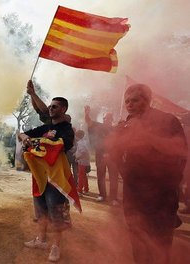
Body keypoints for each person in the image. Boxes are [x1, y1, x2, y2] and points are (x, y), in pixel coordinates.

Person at [110, 84, 187, 263]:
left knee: (160, 243)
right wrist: (124, 170)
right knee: (137, 240)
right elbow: (116, 156)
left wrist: (148, 137)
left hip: (162, 194)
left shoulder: (167, 120)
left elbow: (181, 153)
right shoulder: (126, 124)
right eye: (127, 101)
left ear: (147, 100)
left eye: (134, 100)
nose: (129, 104)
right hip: (133, 195)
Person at [19, 96, 76, 262]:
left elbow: (63, 144)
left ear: (63, 109)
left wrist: (38, 142)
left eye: (55, 106)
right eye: (50, 106)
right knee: (41, 209)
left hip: (56, 178)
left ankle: (56, 246)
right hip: (40, 176)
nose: (51, 109)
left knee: (56, 211)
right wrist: (24, 138)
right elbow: (22, 134)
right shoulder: (46, 127)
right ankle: (41, 240)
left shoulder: (67, 129)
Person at [84, 105, 119, 204]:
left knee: (113, 177)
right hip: (100, 156)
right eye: (105, 117)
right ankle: (102, 195)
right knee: (101, 176)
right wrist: (86, 114)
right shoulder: (98, 126)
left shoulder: (115, 129)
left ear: (112, 119)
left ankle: (113, 198)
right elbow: (89, 122)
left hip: (113, 157)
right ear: (103, 119)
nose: (106, 119)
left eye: (109, 118)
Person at [74, 130, 90, 195]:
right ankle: (86, 189)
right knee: (84, 176)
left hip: (82, 162)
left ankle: (79, 190)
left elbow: (83, 152)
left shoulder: (80, 143)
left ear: (78, 136)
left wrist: (77, 158)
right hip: (86, 161)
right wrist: (75, 153)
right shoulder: (85, 142)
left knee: (80, 176)